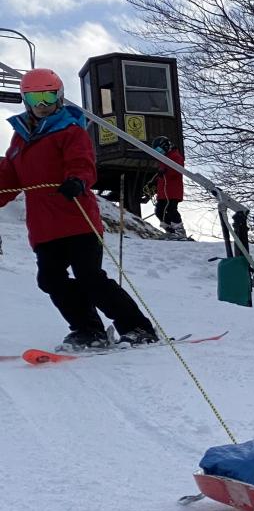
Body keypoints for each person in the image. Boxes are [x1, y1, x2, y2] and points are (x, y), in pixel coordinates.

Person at [0, 68, 159, 351]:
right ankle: (89, 330)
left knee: (90, 277)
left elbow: (82, 162)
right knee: (50, 280)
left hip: (77, 220)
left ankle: (137, 327)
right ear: (25, 100)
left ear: (60, 97)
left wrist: (77, 180)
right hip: (44, 227)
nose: (42, 105)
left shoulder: (70, 130)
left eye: (48, 97)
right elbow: (8, 180)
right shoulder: (19, 140)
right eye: (35, 98)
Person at [150, 136, 188, 240]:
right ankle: (170, 230)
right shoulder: (163, 158)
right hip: (163, 191)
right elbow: (162, 175)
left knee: (171, 209)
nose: (159, 152)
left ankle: (180, 230)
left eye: (160, 150)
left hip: (173, 190)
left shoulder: (175, 156)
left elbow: (177, 170)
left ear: (165, 146)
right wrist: (154, 182)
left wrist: (165, 171)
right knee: (159, 211)